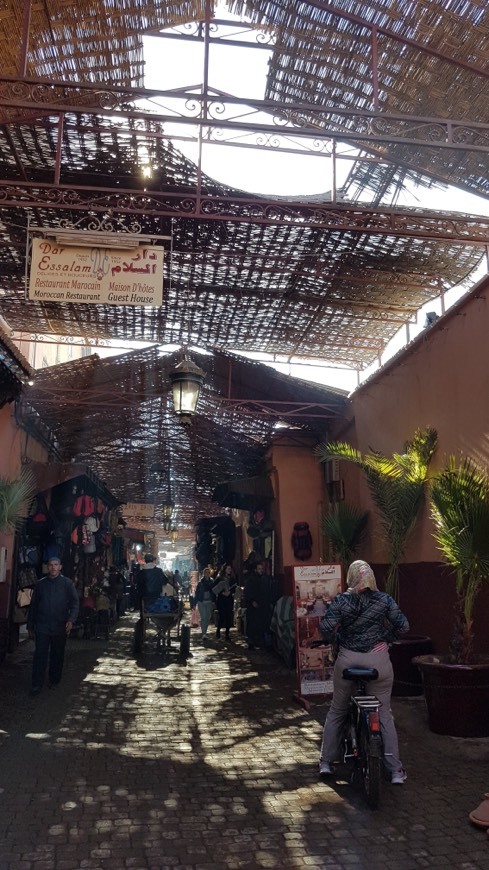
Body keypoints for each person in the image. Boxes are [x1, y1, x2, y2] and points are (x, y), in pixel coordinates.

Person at [318, 559, 409, 785]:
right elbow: (403, 626)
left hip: (348, 660)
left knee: (337, 710)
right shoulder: (384, 600)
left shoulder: (342, 601)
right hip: (378, 661)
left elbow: (326, 627)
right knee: (383, 713)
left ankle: (326, 762)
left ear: (351, 577)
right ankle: (396, 771)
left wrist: (336, 640)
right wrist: (385, 640)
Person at [27, 556, 79, 695]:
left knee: (57, 655)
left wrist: (71, 620)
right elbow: (34, 606)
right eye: (50, 565)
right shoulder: (41, 584)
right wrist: (30, 626)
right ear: (47, 567)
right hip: (43, 626)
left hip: (60, 626)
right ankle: (36, 684)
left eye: (56, 565)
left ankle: (54, 680)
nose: (53, 567)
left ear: (60, 567)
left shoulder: (67, 584)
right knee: (40, 656)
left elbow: (75, 603)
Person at [243, 559, 271, 650]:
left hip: (262, 605)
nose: (261, 570)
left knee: (261, 624)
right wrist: (252, 601)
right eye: (259, 569)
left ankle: (260, 642)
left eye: (262, 568)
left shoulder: (264, 579)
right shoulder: (251, 579)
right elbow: (247, 592)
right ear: (255, 569)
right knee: (253, 624)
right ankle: (252, 642)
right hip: (253, 606)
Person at [212, 563, 237, 641]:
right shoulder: (219, 579)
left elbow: (235, 588)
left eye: (230, 569)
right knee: (222, 616)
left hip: (229, 599)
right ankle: (218, 631)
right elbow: (214, 588)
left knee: (228, 616)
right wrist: (222, 592)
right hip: (221, 600)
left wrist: (231, 592)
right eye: (228, 569)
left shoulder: (232, 579)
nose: (229, 570)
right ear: (224, 569)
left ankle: (227, 634)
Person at [194, 566, 215, 641]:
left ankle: (205, 632)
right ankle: (204, 634)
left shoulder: (212, 582)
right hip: (201, 602)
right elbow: (197, 593)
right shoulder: (200, 583)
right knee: (203, 617)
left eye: (208, 573)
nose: (207, 574)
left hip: (209, 601)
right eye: (206, 573)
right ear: (203, 574)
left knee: (208, 618)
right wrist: (194, 603)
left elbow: (214, 592)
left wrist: (214, 601)